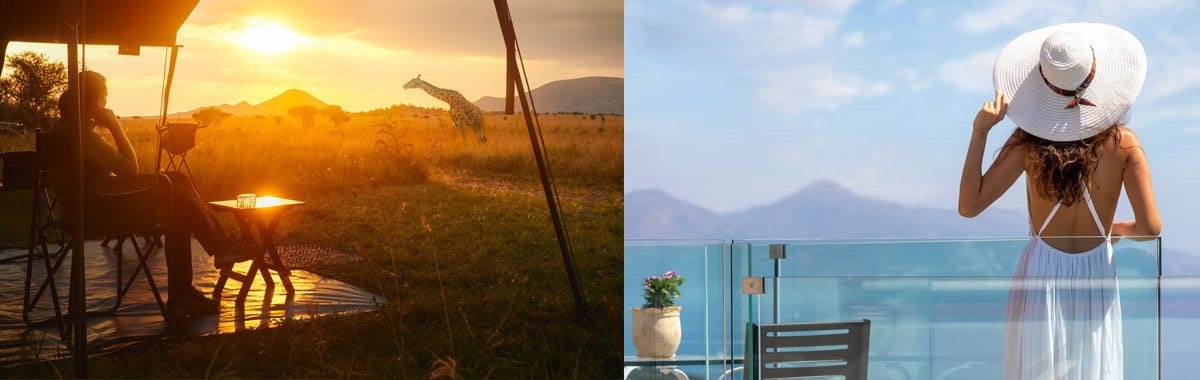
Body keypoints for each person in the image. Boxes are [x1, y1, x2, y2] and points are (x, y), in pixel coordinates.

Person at [958, 23, 1160, 380]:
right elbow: (1149, 228)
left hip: (1041, 275)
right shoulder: (1124, 144)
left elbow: (969, 206)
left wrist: (980, 132)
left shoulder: (1026, 145)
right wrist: (1112, 230)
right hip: (1096, 272)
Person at [45, 70, 259, 318]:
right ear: (93, 100)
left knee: (176, 195)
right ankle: (211, 257)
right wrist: (115, 125)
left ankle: (194, 281)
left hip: (91, 205)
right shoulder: (82, 135)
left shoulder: (61, 128)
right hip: (99, 212)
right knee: (174, 195)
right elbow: (129, 168)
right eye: (104, 96)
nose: (106, 102)